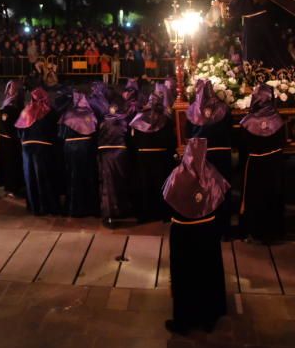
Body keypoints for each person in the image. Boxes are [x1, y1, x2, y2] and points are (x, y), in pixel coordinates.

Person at [162, 137, 230, 335]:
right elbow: (223, 203)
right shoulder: (213, 176)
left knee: (184, 274)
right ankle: (209, 317)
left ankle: (184, 320)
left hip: (183, 232)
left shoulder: (177, 175)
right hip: (207, 231)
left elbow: (167, 202)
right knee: (208, 271)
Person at [186, 79, 234, 236]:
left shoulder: (193, 110)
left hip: (202, 154)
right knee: (222, 189)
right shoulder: (224, 108)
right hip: (222, 154)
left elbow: (188, 134)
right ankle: (224, 228)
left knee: (204, 190)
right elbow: (230, 129)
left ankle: (206, 227)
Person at [239, 84, 285, 242]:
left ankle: (255, 231)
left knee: (255, 197)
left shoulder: (247, 122)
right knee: (273, 195)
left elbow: (243, 145)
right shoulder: (278, 120)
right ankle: (274, 232)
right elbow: (282, 142)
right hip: (273, 164)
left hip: (255, 164)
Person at [129, 92, 176, 222]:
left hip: (143, 157)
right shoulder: (165, 119)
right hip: (161, 157)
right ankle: (162, 214)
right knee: (161, 185)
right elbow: (171, 140)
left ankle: (145, 215)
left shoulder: (138, 118)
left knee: (144, 185)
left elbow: (132, 140)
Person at [16, 87, 62, 215]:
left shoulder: (26, 111)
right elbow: (56, 131)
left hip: (27, 149)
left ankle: (34, 206)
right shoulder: (50, 112)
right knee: (46, 178)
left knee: (30, 177)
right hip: (44, 148)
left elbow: (19, 130)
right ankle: (48, 206)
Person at [227, 0, 292, 68]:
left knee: (260, 54)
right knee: (274, 51)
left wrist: (222, 6)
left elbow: (234, 10)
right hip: (264, 20)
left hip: (253, 25)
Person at [60, 91, 99, 217]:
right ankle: (90, 207)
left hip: (70, 149)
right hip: (86, 149)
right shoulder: (90, 114)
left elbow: (61, 134)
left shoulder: (68, 114)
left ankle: (74, 208)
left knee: (72, 177)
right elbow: (95, 133)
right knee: (88, 176)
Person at [97, 100, 133, 224]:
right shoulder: (124, 122)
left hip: (107, 155)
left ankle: (109, 211)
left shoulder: (103, 123)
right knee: (121, 181)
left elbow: (99, 139)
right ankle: (122, 210)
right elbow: (129, 139)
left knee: (108, 184)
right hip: (120, 155)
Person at [0, 80, 26, 197]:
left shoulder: (17, 105)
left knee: (15, 163)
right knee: (10, 163)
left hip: (14, 139)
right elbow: (4, 125)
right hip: (8, 140)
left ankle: (15, 186)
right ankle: (10, 187)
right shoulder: (8, 106)